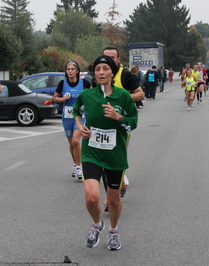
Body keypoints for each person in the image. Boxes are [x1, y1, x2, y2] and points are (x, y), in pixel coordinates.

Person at [73, 55, 138, 251]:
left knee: (114, 199)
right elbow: (76, 111)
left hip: (114, 155)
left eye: (105, 69)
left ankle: (114, 230)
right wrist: (80, 126)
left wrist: (119, 117)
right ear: (94, 73)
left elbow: (133, 122)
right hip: (91, 153)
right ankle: (97, 225)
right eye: (98, 69)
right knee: (91, 197)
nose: (101, 72)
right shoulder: (87, 95)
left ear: (112, 72)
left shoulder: (123, 96)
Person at [101, 47, 143, 201]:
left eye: (112, 57)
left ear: (118, 59)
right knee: (104, 160)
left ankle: (115, 190)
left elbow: (140, 94)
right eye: (106, 56)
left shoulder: (124, 75)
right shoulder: (97, 75)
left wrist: (123, 98)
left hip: (120, 124)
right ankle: (113, 192)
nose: (109, 59)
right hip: (100, 125)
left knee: (116, 156)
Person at [53, 60, 91, 179]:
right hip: (67, 116)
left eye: (72, 69)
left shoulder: (84, 82)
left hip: (80, 116)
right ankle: (76, 165)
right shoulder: (62, 83)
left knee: (76, 141)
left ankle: (79, 168)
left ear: (77, 71)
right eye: (68, 69)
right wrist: (62, 98)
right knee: (71, 143)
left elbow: (93, 94)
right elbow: (55, 98)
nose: (70, 71)